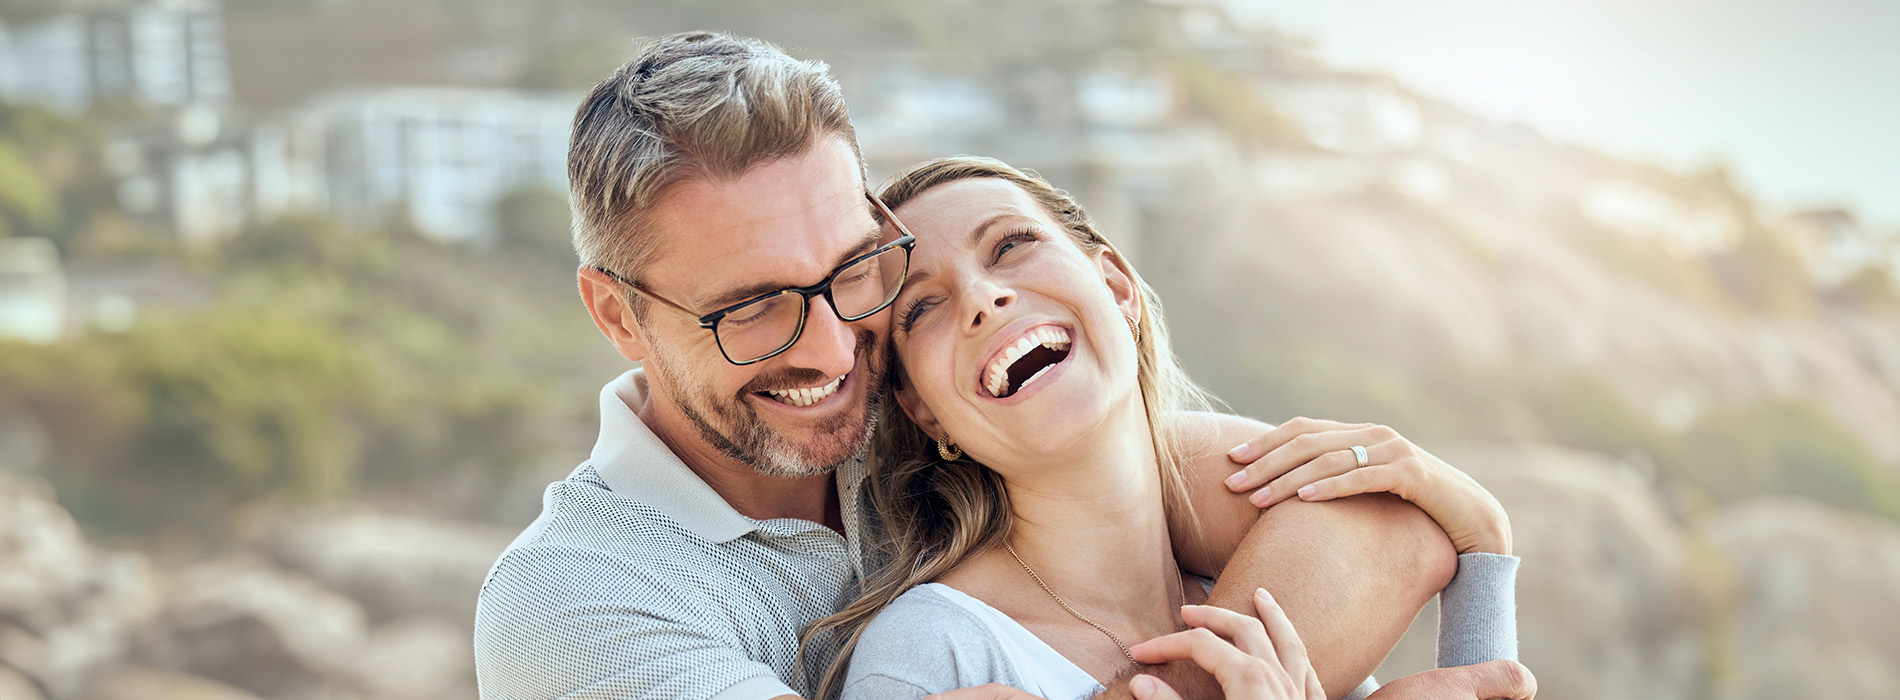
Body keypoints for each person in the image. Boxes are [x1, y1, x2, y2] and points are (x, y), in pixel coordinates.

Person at [472, 31, 1534, 700]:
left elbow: (1369, 516)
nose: (833, 347)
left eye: (852, 271)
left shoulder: (929, 408)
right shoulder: (575, 600)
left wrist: (1476, 534)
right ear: (616, 313)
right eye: (752, 309)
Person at [809, 157, 1523, 700]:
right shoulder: (928, 654)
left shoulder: (1253, 590)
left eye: (1010, 245)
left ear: (1118, 289)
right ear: (923, 411)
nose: (983, 297)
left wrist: (1483, 551)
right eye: (923, 308)